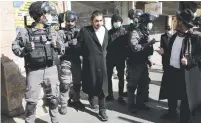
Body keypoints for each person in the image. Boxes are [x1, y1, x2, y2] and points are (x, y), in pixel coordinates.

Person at [12, 1, 64, 123]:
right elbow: (15, 48)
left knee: (54, 99)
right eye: (46, 13)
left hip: (51, 69)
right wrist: (25, 50)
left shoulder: (52, 31)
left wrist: (57, 46)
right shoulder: (25, 32)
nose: (48, 16)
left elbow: (62, 49)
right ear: (39, 15)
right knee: (31, 102)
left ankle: (55, 120)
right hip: (34, 71)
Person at [158, 9, 201, 123]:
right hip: (171, 70)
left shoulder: (195, 39)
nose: (177, 23)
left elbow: (199, 57)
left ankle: (184, 119)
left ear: (184, 24)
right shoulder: (173, 37)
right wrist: (164, 53)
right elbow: (171, 52)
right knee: (171, 93)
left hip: (185, 73)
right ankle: (171, 113)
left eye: (179, 22)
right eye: (178, 21)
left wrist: (189, 61)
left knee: (185, 98)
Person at [77, 10, 109, 121]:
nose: (99, 23)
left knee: (102, 87)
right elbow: (79, 47)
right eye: (96, 21)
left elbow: (106, 47)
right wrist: (87, 57)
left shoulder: (105, 31)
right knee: (92, 83)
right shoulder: (85, 31)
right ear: (91, 21)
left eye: (101, 21)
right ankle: (92, 98)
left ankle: (102, 110)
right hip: (90, 63)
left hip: (102, 63)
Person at [127, 12, 158, 113]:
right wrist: (148, 43)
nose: (150, 24)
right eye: (149, 22)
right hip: (135, 64)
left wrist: (149, 59)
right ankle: (131, 105)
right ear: (144, 22)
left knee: (143, 85)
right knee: (132, 86)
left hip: (143, 63)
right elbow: (135, 48)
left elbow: (146, 49)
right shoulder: (135, 32)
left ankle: (140, 103)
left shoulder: (145, 32)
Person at [58, 10, 85, 114]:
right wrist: (69, 43)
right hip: (66, 60)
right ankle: (64, 104)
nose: (70, 23)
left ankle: (76, 100)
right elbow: (58, 46)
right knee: (65, 84)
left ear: (76, 21)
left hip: (77, 60)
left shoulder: (79, 32)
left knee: (77, 83)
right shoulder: (61, 32)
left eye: (72, 21)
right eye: (68, 21)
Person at [105, 14, 127, 105]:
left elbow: (127, 45)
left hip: (121, 58)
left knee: (121, 77)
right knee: (108, 77)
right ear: (112, 23)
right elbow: (105, 45)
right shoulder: (108, 33)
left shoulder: (124, 32)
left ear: (121, 22)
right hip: (110, 58)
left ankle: (121, 95)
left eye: (118, 21)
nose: (117, 23)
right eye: (115, 21)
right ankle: (110, 94)